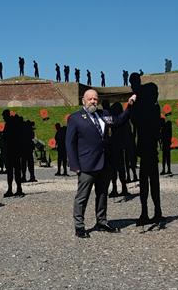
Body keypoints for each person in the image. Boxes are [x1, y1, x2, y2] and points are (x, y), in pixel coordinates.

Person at [66, 89, 137, 238]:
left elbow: (118, 121)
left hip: (104, 163)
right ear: (83, 101)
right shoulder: (75, 118)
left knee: (102, 194)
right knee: (82, 197)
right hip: (86, 165)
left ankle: (102, 221)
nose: (93, 101)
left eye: (95, 99)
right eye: (90, 99)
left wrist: (129, 106)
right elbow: (70, 143)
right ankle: (79, 226)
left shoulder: (104, 115)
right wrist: (75, 166)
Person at [131, 77, 163, 224]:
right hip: (149, 148)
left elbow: (135, 120)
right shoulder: (154, 107)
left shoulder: (145, 107)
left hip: (146, 148)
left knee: (147, 182)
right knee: (151, 181)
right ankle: (154, 211)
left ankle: (148, 212)